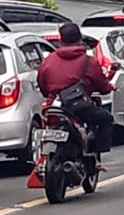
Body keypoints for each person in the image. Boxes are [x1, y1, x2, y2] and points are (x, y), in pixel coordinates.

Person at [36, 22, 115, 153]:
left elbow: (42, 86)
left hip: (54, 108)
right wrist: (108, 87)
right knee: (106, 119)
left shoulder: (48, 61)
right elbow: (102, 85)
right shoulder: (89, 61)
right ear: (80, 39)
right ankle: (92, 154)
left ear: (61, 40)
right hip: (79, 107)